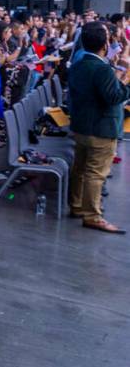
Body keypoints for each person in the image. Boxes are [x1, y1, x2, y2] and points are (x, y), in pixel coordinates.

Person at [67, 21, 130, 233]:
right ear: (105, 44)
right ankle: (92, 215)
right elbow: (114, 97)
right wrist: (127, 78)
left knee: (80, 169)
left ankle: (77, 206)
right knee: (95, 173)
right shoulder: (101, 68)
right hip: (101, 128)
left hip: (82, 126)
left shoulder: (80, 63)